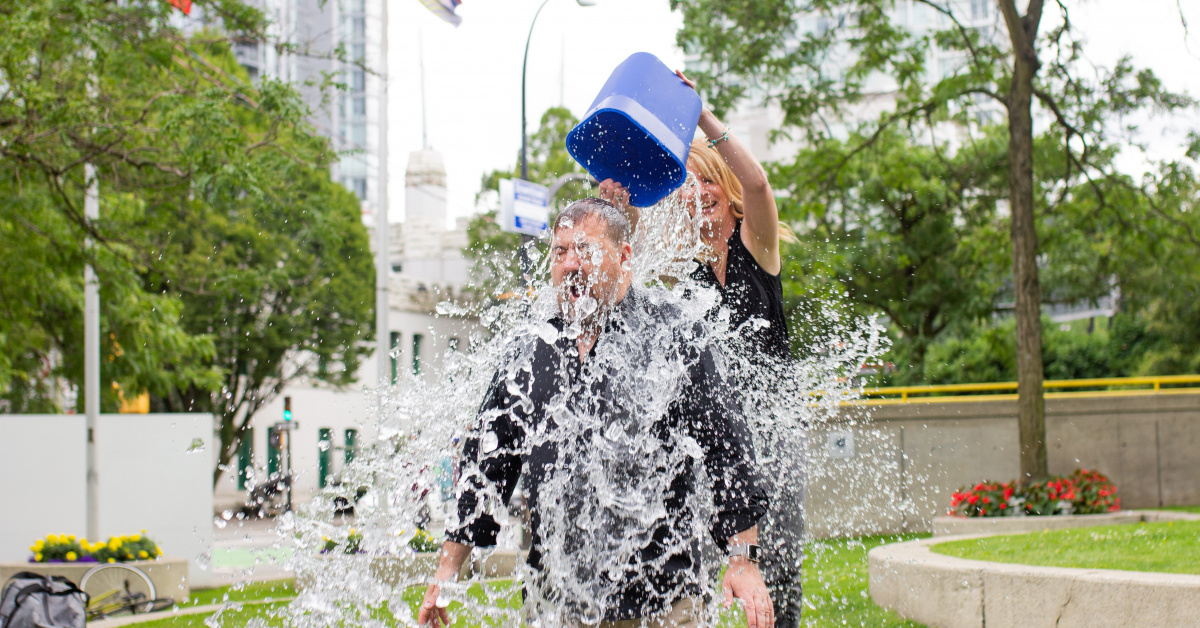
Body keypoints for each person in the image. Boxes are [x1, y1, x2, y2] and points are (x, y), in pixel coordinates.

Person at [417, 198, 775, 628]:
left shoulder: (673, 336)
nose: (569, 264)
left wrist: (742, 559)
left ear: (624, 257)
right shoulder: (532, 351)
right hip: (557, 603)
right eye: (560, 252)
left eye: (584, 250)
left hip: (664, 601)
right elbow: (487, 466)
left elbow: (727, 448)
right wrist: (446, 572)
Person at [597, 71, 804, 628]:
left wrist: (703, 115)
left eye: (708, 181)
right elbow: (625, 282)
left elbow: (758, 185)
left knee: (777, 578)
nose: (699, 191)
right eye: (688, 183)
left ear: (726, 192)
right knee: (698, 565)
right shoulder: (682, 277)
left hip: (772, 438)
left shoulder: (755, 248)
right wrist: (618, 210)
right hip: (717, 441)